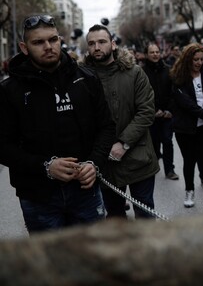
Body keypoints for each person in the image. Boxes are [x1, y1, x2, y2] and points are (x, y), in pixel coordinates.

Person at [0, 14, 115, 233]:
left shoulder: (87, 79)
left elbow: (107, 127)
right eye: (38, 42)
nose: (48, 46)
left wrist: (94, 163)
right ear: (24, 48)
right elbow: (3, 146)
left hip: (86, 191)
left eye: (53, 40)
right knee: (52, 264)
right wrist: (45, 166)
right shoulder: (9, 91)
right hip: (39, 198)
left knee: (94, 260)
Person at [85, 25, 159, 219]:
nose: (97, 47)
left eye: (101, 42)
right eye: (91, 43)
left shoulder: (134, 73)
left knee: (145, 215)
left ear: (113, 44)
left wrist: (124, 143)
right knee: (115, 218)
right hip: (105, 164)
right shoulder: (82, 78)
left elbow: (146, 111)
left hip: (139, 159)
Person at [170, 43, 203, 213]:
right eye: (195, 59)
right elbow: (185, 103)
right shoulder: (179, 78)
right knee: (189, 161)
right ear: (188, 60)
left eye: (201, 59)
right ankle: (189, 191)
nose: (199, 63)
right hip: (185, 129)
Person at [143, 43, 179, 180]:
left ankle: (170, 170)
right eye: (152, 52)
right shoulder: (142, 72)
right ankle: (154, 163)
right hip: (150, 115)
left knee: (167, 141)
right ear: (147, 54)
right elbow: (142, 95)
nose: (155, 54)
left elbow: (173, 92)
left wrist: (169, 110)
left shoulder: (168, 70)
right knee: (153, 143)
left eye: (157, 52)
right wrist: (153, 111)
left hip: (167, 115)